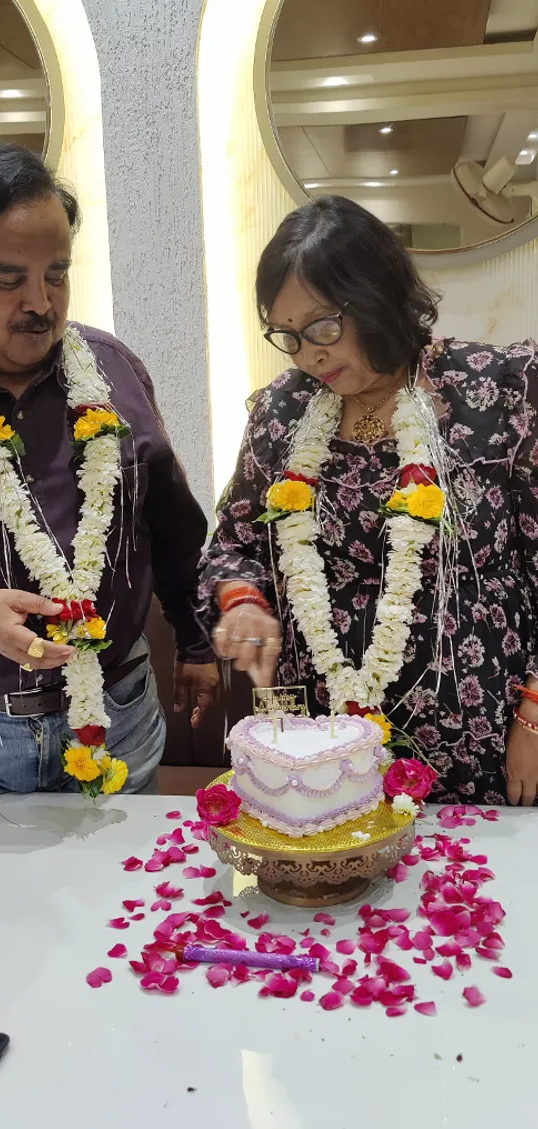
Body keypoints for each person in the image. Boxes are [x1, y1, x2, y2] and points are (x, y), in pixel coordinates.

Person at [0, 141, 218, 795]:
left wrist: (195, 640)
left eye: (58, 274)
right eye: (8, 279)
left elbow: (171, 526)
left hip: (120, 716)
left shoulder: (114, 371)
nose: (42, 302)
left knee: (128, 893)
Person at [199, 194, 538, 807]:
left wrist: (535, 716)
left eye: (324, 327)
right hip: (323, 741)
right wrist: (243, 602)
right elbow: (234, 544)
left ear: (377, 295)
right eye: (289, 336)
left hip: (478, 731)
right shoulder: (284, 411)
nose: (309, 354)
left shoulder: (497, 391)